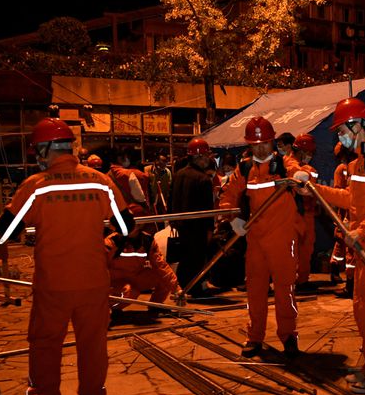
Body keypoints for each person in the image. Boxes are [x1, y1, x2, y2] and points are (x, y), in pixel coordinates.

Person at [0, 117, 133, 395]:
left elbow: (5, 232)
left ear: (43, 150)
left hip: (52, 285)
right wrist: (108, 243)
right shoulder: (99, 181)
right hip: (93, 281)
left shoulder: (35, 186)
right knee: (92, 345)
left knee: (45, 346)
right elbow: (126, 226)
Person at [305, 97, 365, 393]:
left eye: (341, 131)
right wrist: (313, 188)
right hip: (364, 248)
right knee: (362, 312)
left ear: (356, 126)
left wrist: (362, 230)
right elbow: (350, 198)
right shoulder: (359, 161)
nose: (339, 137)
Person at [219, 116, 301, 358]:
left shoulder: (285, 165)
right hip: (256, 241)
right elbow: (228, 196)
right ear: (249, 145)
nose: (261, 148)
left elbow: (300, 172)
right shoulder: (244, 169)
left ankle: (288, 336)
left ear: (272, 141)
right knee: (255, 291)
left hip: (284, 241)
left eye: (265, 142)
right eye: (256, 144)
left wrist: (301, 177)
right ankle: (254, 337)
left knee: (285, 291)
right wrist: (232, 218)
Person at [170, 138, 217, 297]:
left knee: (184, 258)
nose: (208, 161)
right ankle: (195, 288)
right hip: (198, 227)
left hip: (180, 225)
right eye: (206, 157)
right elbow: (207, 208)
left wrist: (173, 221)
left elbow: (171, 200)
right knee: (196, 259)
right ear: (200, 157)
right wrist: (210, 229)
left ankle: (183, 287)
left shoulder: (178, 175)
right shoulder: (203, 179)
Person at [106, 227, 181, 312]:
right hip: (115, 281)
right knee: (130, 291)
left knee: (162, 277)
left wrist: (177, 289)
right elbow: (98, 265)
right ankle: (113, 308)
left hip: (135, 276)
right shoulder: (113, 240)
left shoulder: (147, 240)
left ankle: (155, 305)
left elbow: (161, 266)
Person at [283, 134, 319, 289]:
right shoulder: (292, 165)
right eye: (309, 152)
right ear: (302, 151)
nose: (310, 156)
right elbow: (301, 178)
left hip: (304, 211)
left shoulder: (296, 164)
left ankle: (299, 279)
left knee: (303, 248)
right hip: (297, 213)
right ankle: (297, 280)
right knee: (299, 248)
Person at [328, 142, 355, 295]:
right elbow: (339, 193)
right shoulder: (342, 169)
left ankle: (349, 282)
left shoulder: (352, 167)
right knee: (342, 243)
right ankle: (337, 272)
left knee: (347, 247)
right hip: (346, 212)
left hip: (350, 212)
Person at [108, 146, 151, 216]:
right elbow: (140, 197)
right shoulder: (128, 174)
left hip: (113, 214)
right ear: (120, 158)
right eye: (127, 157)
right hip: (130, 213)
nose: (128, 160)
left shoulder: (106, 176)